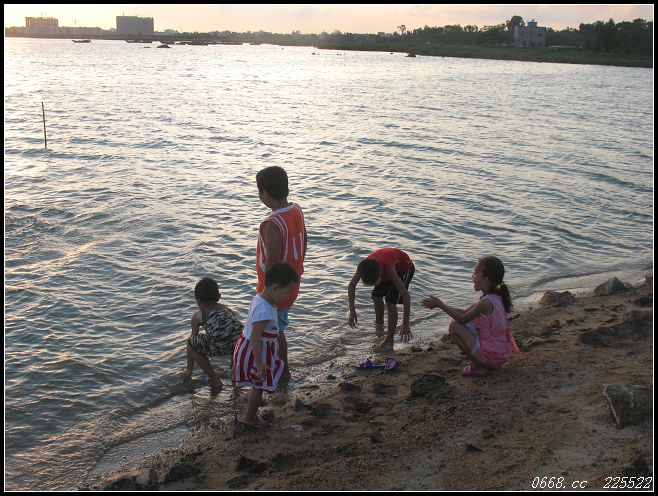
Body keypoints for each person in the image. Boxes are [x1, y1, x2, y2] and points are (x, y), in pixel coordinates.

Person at [422, 256, 520, 377]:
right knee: (459, 324)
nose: (472, 277)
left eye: (475, 273)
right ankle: (483, 364)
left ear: (485, 279)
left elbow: (463, 319)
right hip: (499, 355)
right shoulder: (495, 297)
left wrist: (441, 305)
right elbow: (465, 313)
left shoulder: (485, 302)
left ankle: (479, 367)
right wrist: (441, 306)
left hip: (492, 357)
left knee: (454, 326)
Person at [255, 166, 307, 381]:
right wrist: (299, 266)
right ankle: (282, 371)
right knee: (277, 329)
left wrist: (266, 295)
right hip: (291, 283)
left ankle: (278, 373)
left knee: (270, 332)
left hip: (274, 289)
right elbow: (305, 240)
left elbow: (273, 262)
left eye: (259, 191)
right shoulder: (296, 210)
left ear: (265, 193)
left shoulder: (272, 224)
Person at [232, 262, 299, 428]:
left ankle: (250, 399)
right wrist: (260, 363)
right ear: (275, 288)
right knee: (259, 385)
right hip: (255, 352)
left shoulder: (260, 299)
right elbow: (255, 336)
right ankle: (249, 417)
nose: (289, 296)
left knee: (256, 383)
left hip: (251, 347)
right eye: (288, 291)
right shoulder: (265, 310)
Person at [347, 248, 415, 352]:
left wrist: (405, 324)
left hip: (404, 268)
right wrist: (352, 311)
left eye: (377, 281)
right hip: (386, 266)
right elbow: (351, 285)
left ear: (380, 273)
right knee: (376, 296)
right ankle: (380, 329)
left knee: (390, 301)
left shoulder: (389, 270)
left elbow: (406, 296)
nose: (377, 284)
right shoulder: (362, 269)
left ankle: (389, 341)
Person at [182, 277, 244, 389]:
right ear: (218, 297)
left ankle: (214, 380)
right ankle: (235, 376)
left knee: (191, 343)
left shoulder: (197, 316)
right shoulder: (228, 310)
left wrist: (189, 369)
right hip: (241, 342)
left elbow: (192, 344)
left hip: (221, 344)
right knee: (231, 338)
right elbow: (232, 332)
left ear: (197, 300)